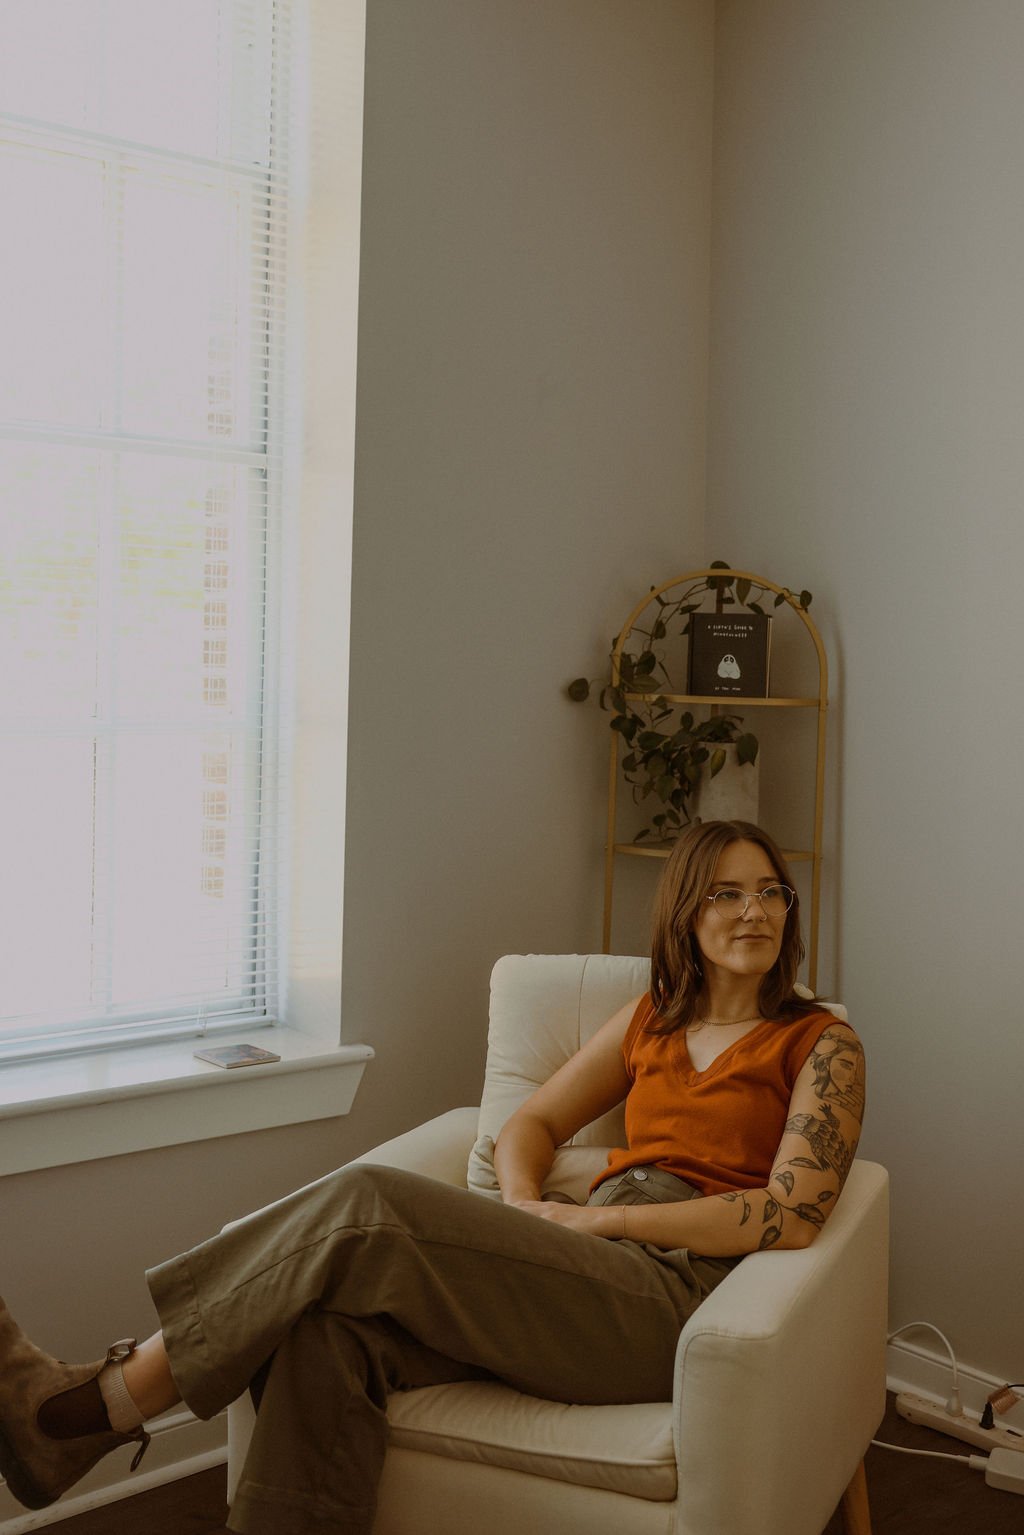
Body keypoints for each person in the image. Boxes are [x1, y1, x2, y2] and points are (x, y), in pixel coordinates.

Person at [0, 819, 865, 1535]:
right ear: (685, 910)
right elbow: (531, 1121)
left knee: (368, 1199)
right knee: (327, 1330)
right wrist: (528, 1208)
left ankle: (105, 1404)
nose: (755, 910)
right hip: (577, 1262)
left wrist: (603, 1224)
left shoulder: (818, 1042)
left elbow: (788, 1213)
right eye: (728, 891)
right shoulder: (652, 1019)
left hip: (670, 1293)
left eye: (770, 892)